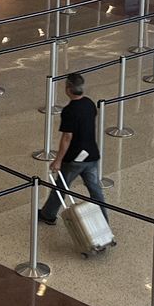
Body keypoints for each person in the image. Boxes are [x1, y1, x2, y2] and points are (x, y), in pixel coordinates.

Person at [37, 73, 107, 227]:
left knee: (61, 186)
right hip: (92, 154)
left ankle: (48, 215)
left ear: (68, 89)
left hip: (75, 158)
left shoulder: (69, 110)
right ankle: (104, 221)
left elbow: (67, 137)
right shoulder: (89, 104)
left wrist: (58, 160)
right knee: (95, 190)